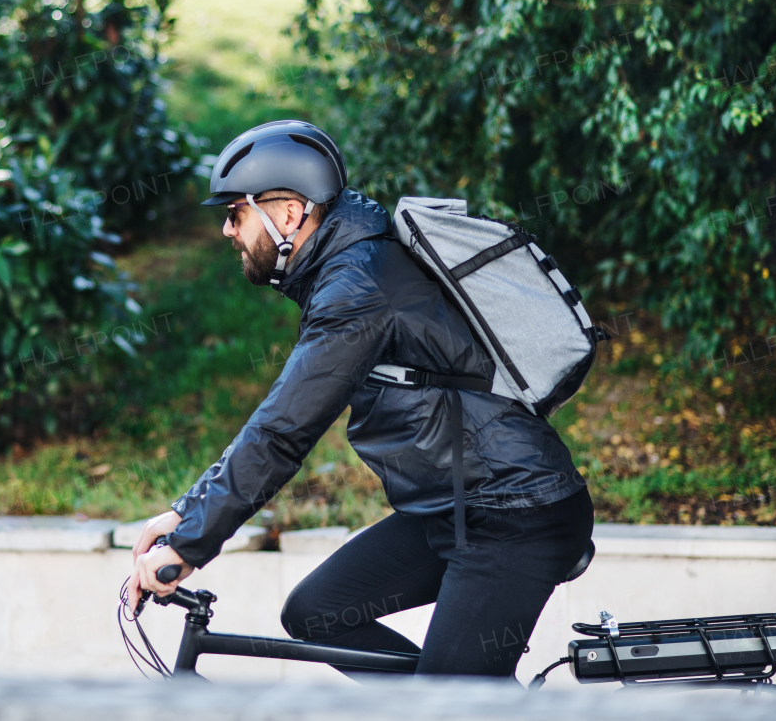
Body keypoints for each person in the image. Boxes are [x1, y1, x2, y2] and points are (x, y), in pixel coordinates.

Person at [126, 120, 593, 678]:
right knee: (319, 612)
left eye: (235, 213)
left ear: (289, 214)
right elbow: (278, 422)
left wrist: (192, 542)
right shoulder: (348, 271)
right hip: (454, 508)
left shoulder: (358, 286)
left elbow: (282, 431)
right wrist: (186, 510)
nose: (227, 230)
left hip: (514, 514)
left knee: (450, 707)